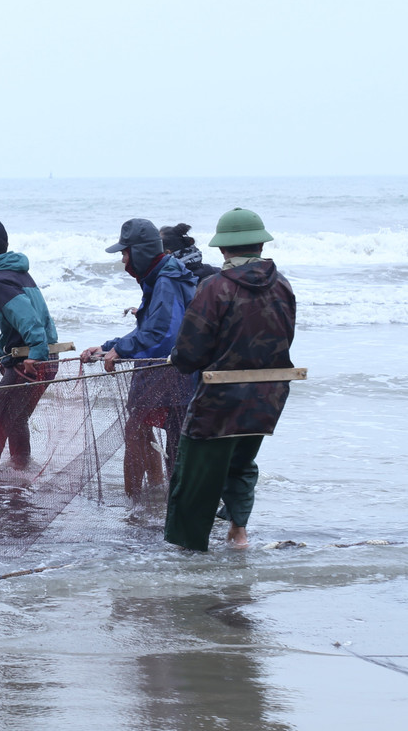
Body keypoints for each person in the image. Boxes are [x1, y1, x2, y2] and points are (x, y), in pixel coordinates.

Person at [164, 207, 296, 551]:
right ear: (261, 246)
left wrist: (176, 359)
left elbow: (190, 354)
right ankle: (239, 533)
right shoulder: (283, 285)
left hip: (220, 401)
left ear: (223, 249)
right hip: (269, 398)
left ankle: (189, 550)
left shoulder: (214, 287)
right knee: (240, 463)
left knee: (195, 472)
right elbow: (284, 339)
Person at [81, 218, 198, 498]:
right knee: (160, 439)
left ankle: (135, 507)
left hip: (173, 375)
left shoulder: (166, 280)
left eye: (125, 253)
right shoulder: (160, 276)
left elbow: (164, 333)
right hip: (174, 374)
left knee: (139, 433)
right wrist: (107, 346)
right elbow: (149, 328)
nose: (123, 261)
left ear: (141, 251)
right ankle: (158, 499)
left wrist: (121, 349)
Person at [0, 219, 59, 471]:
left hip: (32, 362)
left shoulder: (0, 281)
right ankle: (21, 472)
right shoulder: (18, 273)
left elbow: (30, 322)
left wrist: (37, 353)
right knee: (17, 419)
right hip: (50, 358)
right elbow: (16, 328)